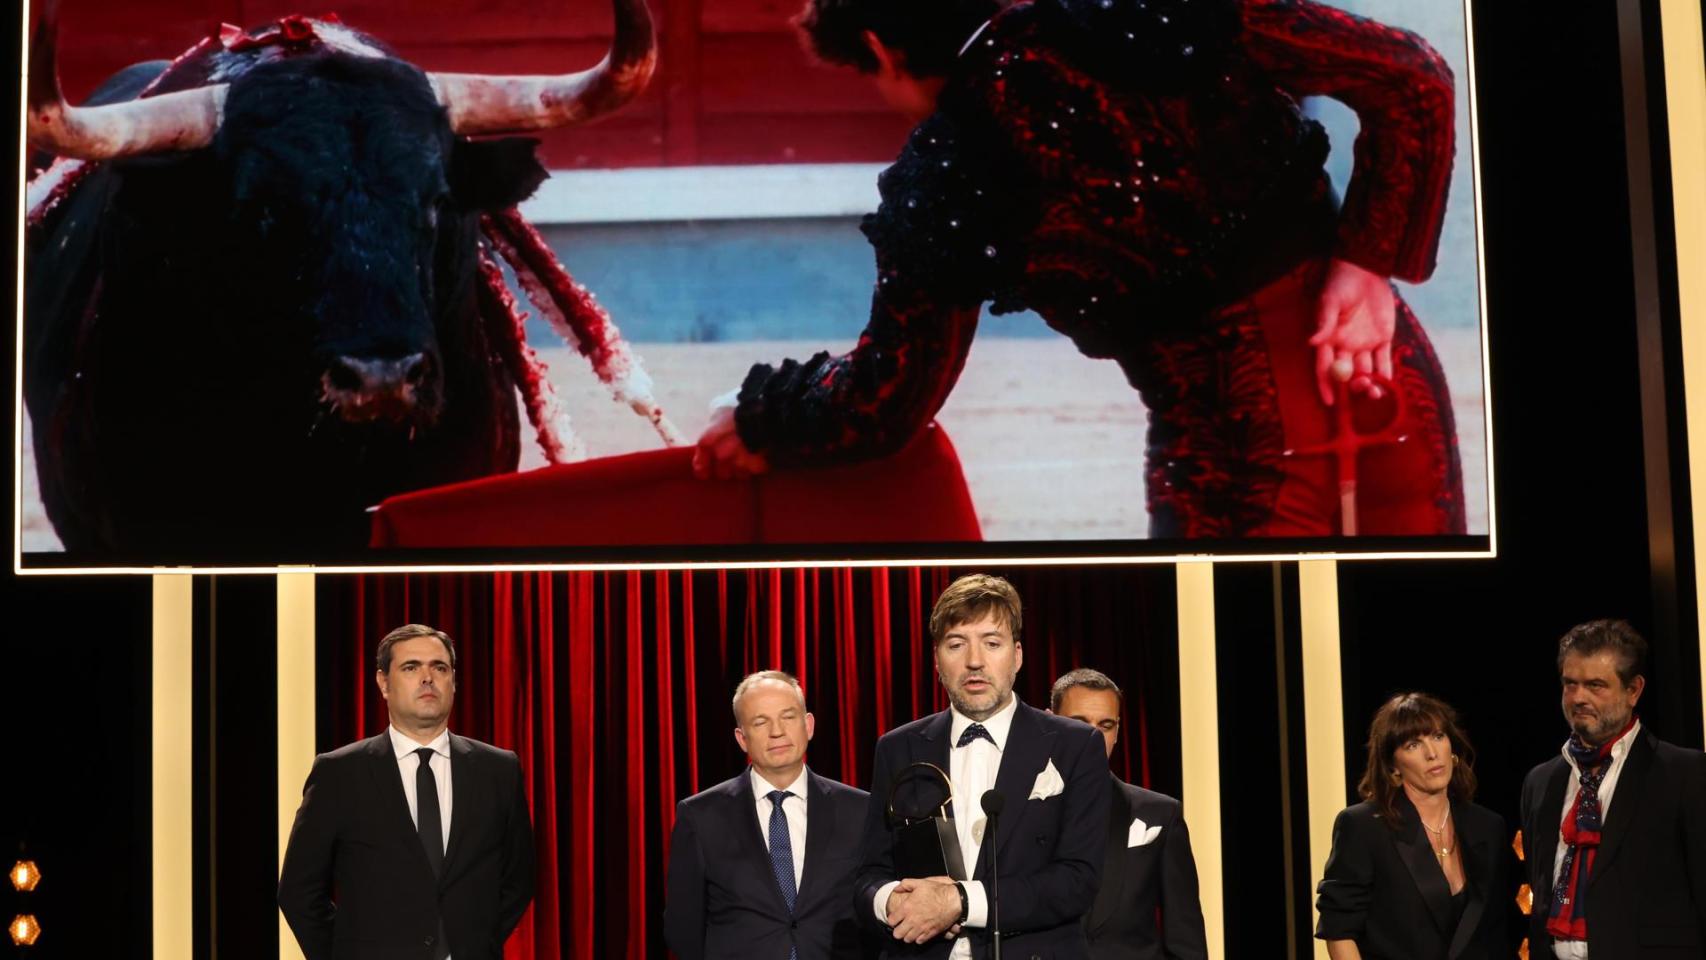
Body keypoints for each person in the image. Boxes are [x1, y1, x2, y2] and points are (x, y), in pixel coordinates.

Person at [696, 0, 1465, 538]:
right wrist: (1364, 265)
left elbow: (884, 403)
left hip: (1228, 471)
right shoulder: (1131, 12)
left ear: (879, 49)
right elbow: (1413, 77)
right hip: (1386, 390)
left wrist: (760, 417)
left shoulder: (948, 170)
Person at [854, 573, 1110, 958]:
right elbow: (869, 876)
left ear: (1017, 655)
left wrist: (961, 900)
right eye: (957, 645)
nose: (974, 661)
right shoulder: (898, 747)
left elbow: (1077, 879)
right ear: (937, 658)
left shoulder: (1075, 744)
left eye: (992, 643)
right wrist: (892, 901)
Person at [278, 624, 534, 960]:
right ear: (383, 682)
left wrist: (475, 941)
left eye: (440, 668)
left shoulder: (498, 770)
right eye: (411, 667)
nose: (427, 678)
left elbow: (519, 878)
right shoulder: (338, 773)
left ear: (453, 682)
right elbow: (299, 890)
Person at [1519, 619, 1706, 959]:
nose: (1578, 697)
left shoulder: (1686, 774)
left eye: (1595, 685)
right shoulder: (1540, 782)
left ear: (1634, 690)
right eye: (1570, 684)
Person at [664, 671, 874, 960]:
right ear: (742, 738)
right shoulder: (700, 816)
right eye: (760, 722)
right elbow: (683, 926)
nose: (777, 731)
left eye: (788, 717)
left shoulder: (860, 809)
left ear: (808, 725)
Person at [1316, 692, 1512, 959]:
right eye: (1413, 745)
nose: (1432, 753)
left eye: (1438, 737)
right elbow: (1340, 931)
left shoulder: (1488, 826)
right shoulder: (1363, 827)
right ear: (1393, 766)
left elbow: (1498, 933)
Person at [1051, 668, 1207, 960]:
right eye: (1079, 723)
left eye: (1106, 725)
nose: (1093, 736)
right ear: (1049, 722)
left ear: (1118, 732)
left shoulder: (1160, 815)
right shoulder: (1017, 810)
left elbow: (1187, 943)